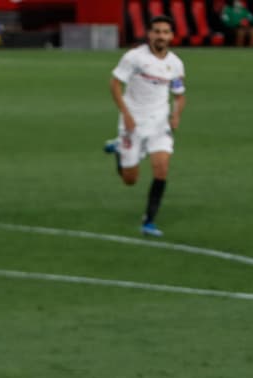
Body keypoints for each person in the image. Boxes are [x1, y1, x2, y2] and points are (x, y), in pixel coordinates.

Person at [102, 15, 185, 238]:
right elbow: (115, 84)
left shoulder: (175, 64)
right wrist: (126, 114)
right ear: (149, 34)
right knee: (130, 180)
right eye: (156, 31)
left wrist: (176, 115)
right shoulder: (134, 57)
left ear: (171, 36)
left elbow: (179, 94)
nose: (161, 36)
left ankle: (149, 221)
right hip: (133, 122)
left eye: (165, 32)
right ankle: (119, 150)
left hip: (160, 123)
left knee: (161, 168)